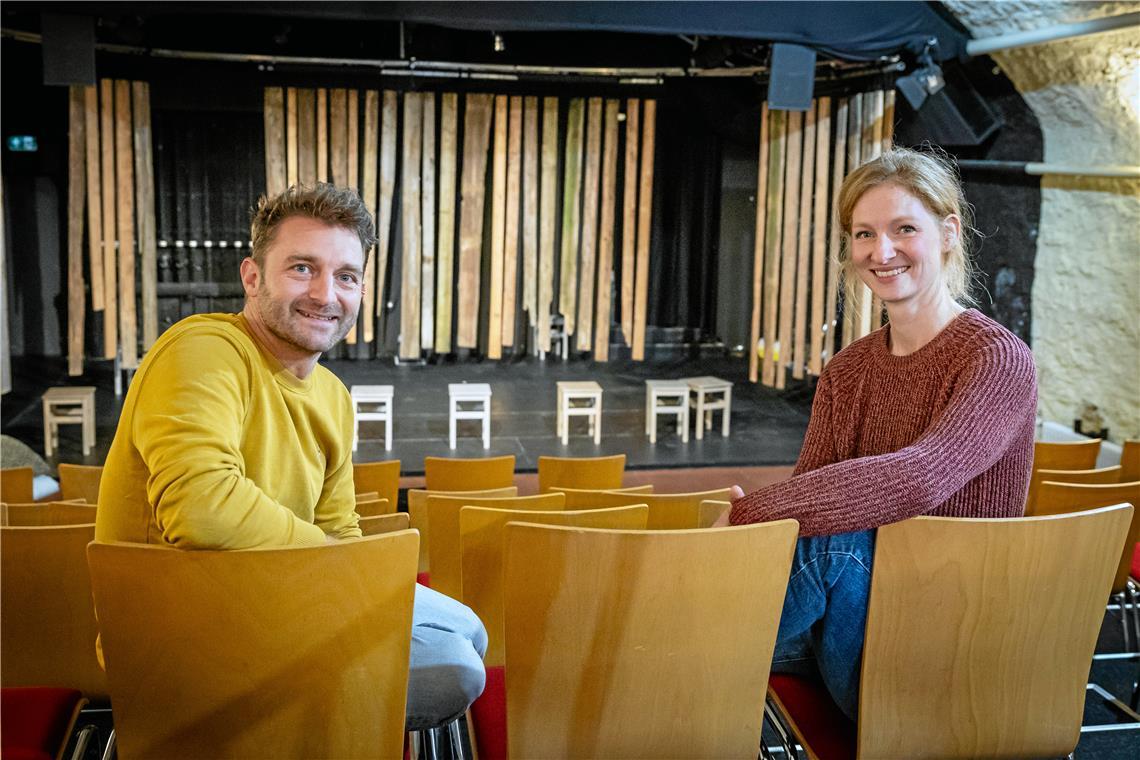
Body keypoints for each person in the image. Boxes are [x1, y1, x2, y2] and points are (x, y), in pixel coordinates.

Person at [96, 183, 487, 731]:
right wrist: (333, 563)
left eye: (346, 276)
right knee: (455, 669)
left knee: (468, 628)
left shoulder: (331, 395)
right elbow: (201, 510)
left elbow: (340, 530)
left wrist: (342, 575)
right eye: (303, 268)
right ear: (252, 277)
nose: (326, 294)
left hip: (275, 601)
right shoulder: (204, 348)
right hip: (181, 636)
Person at [718, 147, 1037, 720]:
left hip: (939, 636)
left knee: (832, 545)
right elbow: (809, 496)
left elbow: (917, 477)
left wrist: (747, 514)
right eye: (864, 233)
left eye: (903, 229)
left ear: (947, 232)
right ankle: (675, 644)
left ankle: (674, 643)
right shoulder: (849, 368)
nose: (881, 251)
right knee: (807, 545)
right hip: (851, 615)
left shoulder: (996, 358)